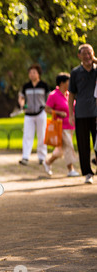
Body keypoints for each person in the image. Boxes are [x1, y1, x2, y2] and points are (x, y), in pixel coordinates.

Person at [68, 44, 97, 184]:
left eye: (89, 53)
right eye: (84, 54)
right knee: (83, 145)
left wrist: (95, 60)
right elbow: (71, 94)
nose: (87, 56)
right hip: (81, 113)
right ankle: (87, 172)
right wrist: (70, 114)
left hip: (96, 112)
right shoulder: (75, 73)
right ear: (79, 56)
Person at [43, 73, 79, 177]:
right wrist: (58, 113)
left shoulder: (69, 94)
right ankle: (71, 169)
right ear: (62, 83)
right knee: (68, 146)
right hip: (60, 126)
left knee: (60, 151)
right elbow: (47, 109)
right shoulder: (53, 95)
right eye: (69, 81)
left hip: (71, 126)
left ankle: (48, 162)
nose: (71, 83)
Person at [18, 64, 49, 166]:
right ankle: (25, 157)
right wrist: (22, 105)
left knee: (42, 135)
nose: (32, 74)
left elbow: (48, 98)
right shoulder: (26, 86)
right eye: (30, 73)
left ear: (38, 74)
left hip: (41, 113)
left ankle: (42, 157)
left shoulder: (44, 85)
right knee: (27, 135)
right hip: (29, 114)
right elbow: (21, 98)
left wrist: (46, 107)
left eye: (34, 72)